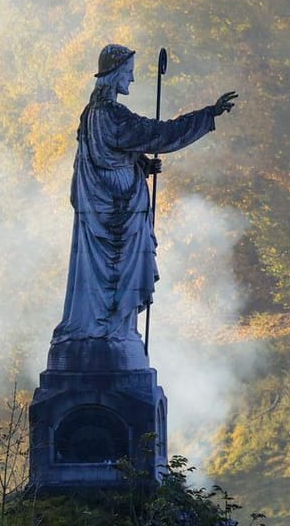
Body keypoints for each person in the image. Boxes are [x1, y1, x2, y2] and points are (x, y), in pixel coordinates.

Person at [49, 44, 237, 367]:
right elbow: (160, 134)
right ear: (115, 73)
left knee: (109, 285)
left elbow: (107, 159)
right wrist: (209, 114)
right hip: (117, 220)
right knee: (115, 283)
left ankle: (113, 332)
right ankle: (111, 334)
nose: (132, 79)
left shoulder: (92, 115)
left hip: (108, 214)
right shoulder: (111, 116)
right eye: (129, 72)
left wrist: (141, 164)